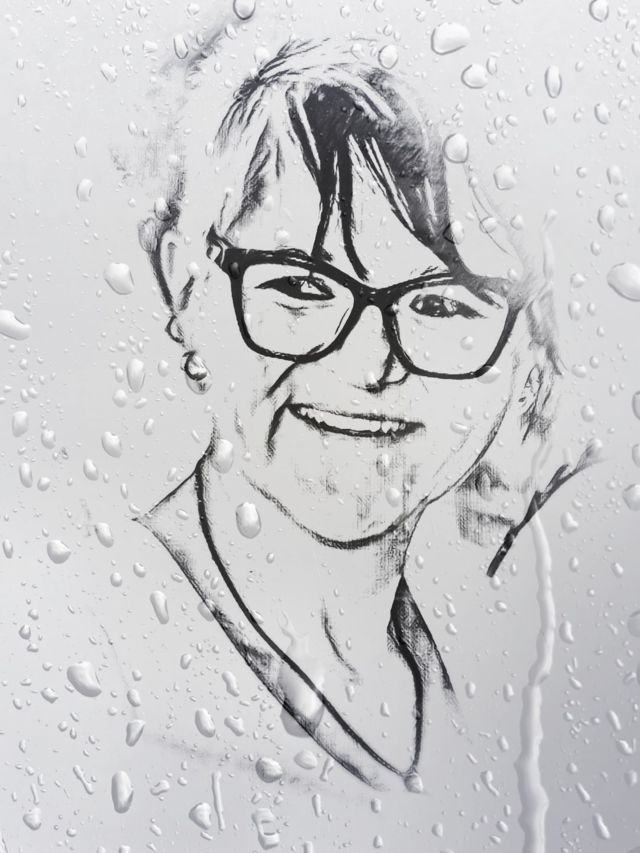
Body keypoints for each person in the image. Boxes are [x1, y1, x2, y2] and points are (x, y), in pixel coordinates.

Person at [134, 39, 594, 790]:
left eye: (440, 303)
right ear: (185, 289)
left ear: (521, 349)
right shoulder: (95, 648)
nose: (370, 364)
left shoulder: (485, 687)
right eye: (301, 287)